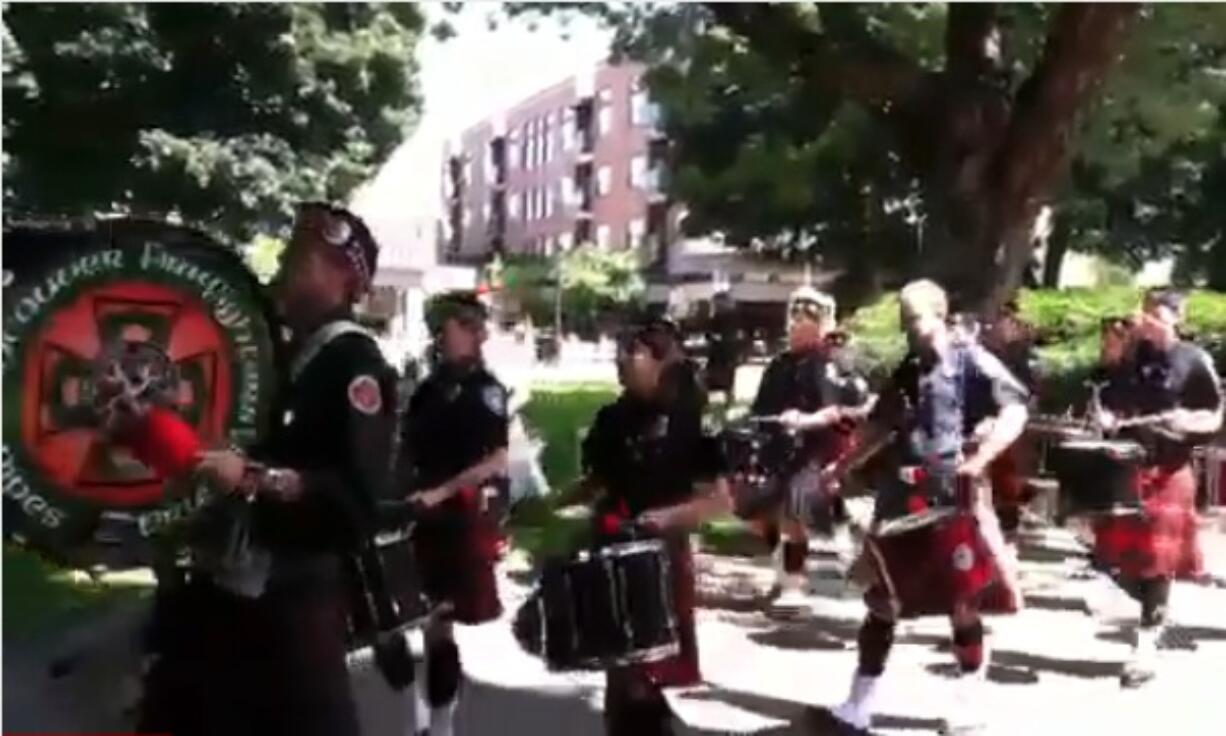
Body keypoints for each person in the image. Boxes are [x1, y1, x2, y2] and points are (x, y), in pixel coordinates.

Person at [141, 202, 398, 736]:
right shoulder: (276, 353)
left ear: (342, 276)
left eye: (300, 256)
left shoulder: (353, 364)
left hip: (292, 607)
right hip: (226, 592)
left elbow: (354, 504)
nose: (282, 263)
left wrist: (254, 479)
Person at [821, 279, 1029, 735]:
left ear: (940, 311)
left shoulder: (972, 359)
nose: (908, 326)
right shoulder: (909, 369)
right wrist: (841, 467)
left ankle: (967, 700)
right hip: (900, 498)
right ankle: (858, 705)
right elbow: (880, 428)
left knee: (964, 604)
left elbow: (1015, 411)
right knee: (881, 602)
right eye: (904, 317)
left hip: (953, 498)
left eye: (915, 316)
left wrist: (979, 460)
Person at [579, 318, 733, 735]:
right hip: (612, 550)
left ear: (660, 361)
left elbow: (720, 501)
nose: (622, 360)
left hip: (661, 558)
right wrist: (556, 507)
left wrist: (667, 518)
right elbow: (597, 482)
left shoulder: (692, 421)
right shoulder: (611, 418)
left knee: (645, 682)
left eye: (633, 352)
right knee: (619, 677)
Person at [1088, 289, 1222, 688]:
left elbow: (1213, 415)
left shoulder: (1194, 361)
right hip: (1127, 467)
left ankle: (1145, 643)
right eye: (1147, 315)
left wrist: (1187, 422)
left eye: (1158, 316)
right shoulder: (1132, 358)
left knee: (1158, 562)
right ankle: (1156, 614)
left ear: (1177, 319)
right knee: (1109, 558)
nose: (1149, 323)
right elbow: (1105, 396)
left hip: (1170, 469)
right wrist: (1107, 415)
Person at [399, 290, 510, 736]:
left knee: (438, 621)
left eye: (447, 328)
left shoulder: (487, 392)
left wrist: (442, 491)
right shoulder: (428, 389)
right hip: (420, 512)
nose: (438, 337)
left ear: (473, 333)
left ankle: (438, 725)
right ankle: (421, 719)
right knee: (414, 622)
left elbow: (496, 460)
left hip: (456, 514)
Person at [747, 287, 871, 610]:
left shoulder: (828, 362)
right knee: (752, 507)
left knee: (793, 507)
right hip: (778, 449)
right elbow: (761, 408)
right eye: (794, 318)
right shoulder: (779, 364)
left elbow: (833, 412)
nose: (796, 324)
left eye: (805, 319)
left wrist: (803, 420)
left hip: (819, 451)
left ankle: (794, 583)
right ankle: (788, 563)